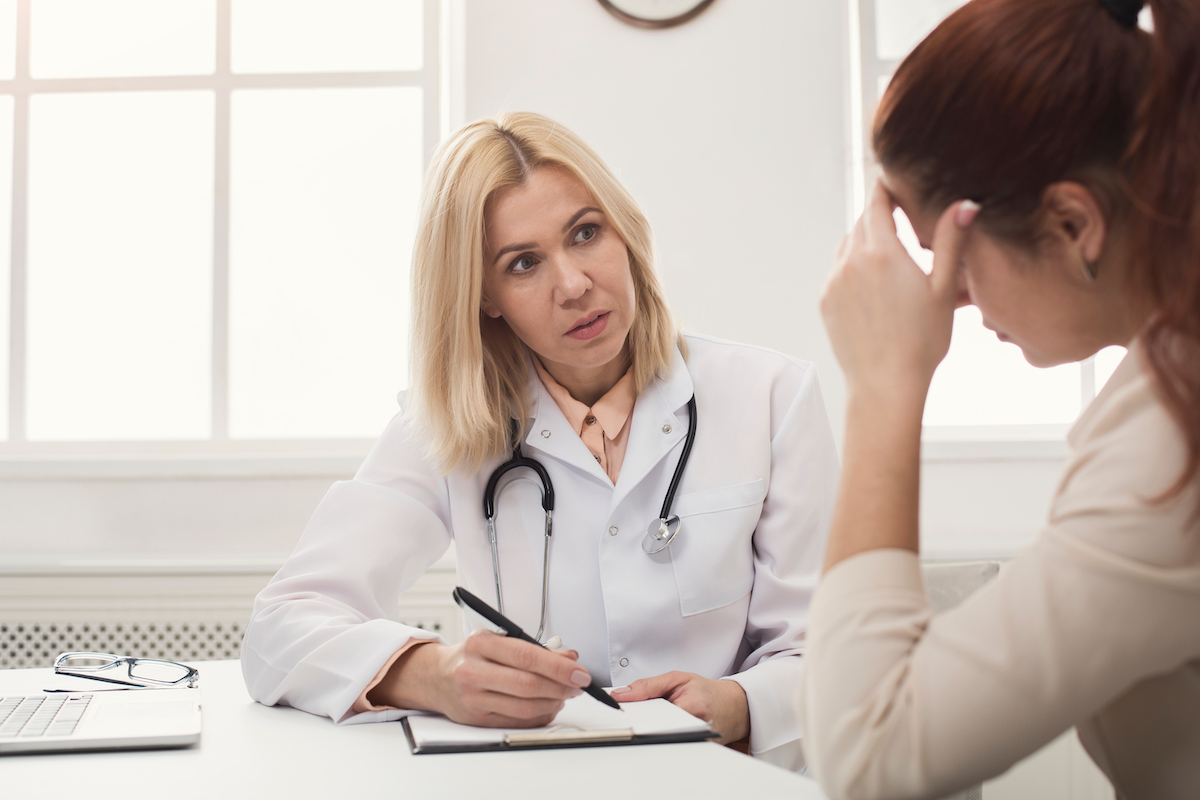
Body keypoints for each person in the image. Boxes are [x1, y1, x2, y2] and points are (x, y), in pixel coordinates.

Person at [241, 111, 838, 768]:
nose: (574, 285)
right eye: (523, 263)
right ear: (484, 296)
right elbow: (279, 630)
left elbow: (831, 654)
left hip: (724, 779)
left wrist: (742, 702)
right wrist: (432, 674)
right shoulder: (447, 425)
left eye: (586, 233)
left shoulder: (771, 397)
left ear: (625, 232)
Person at [802, 0, 1200, 797]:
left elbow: (870, 754)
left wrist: (882, 386)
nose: (947, 298)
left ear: (1073, 224)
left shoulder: (1172, 441)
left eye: (953, 257)